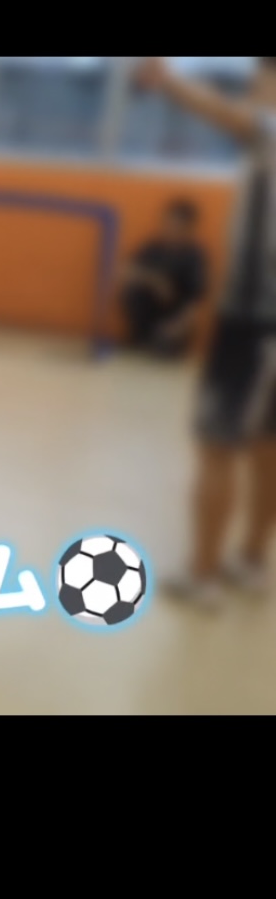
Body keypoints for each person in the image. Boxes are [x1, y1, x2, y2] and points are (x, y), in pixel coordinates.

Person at [135, 56, 276, 608]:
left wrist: (167, 80)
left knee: (217, 447)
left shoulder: (269, 132)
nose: (252, 93)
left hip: (253, 322)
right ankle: (252, 560)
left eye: (260, 81)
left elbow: (226, 114)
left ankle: (204, 574)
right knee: (266, 445)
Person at [119, 198, 208, 357]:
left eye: (177, 225)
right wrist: (154, 280)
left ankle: (159, 341)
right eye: (168, 223)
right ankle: (140, 336)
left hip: (174, 322)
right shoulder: (152, 248)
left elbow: (195, 303)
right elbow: (125, 271)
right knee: (131, 290)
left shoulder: (194, 257)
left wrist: (175, 328)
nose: (170, 228)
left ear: (187, 228)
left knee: (162, 351)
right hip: (148, 315)